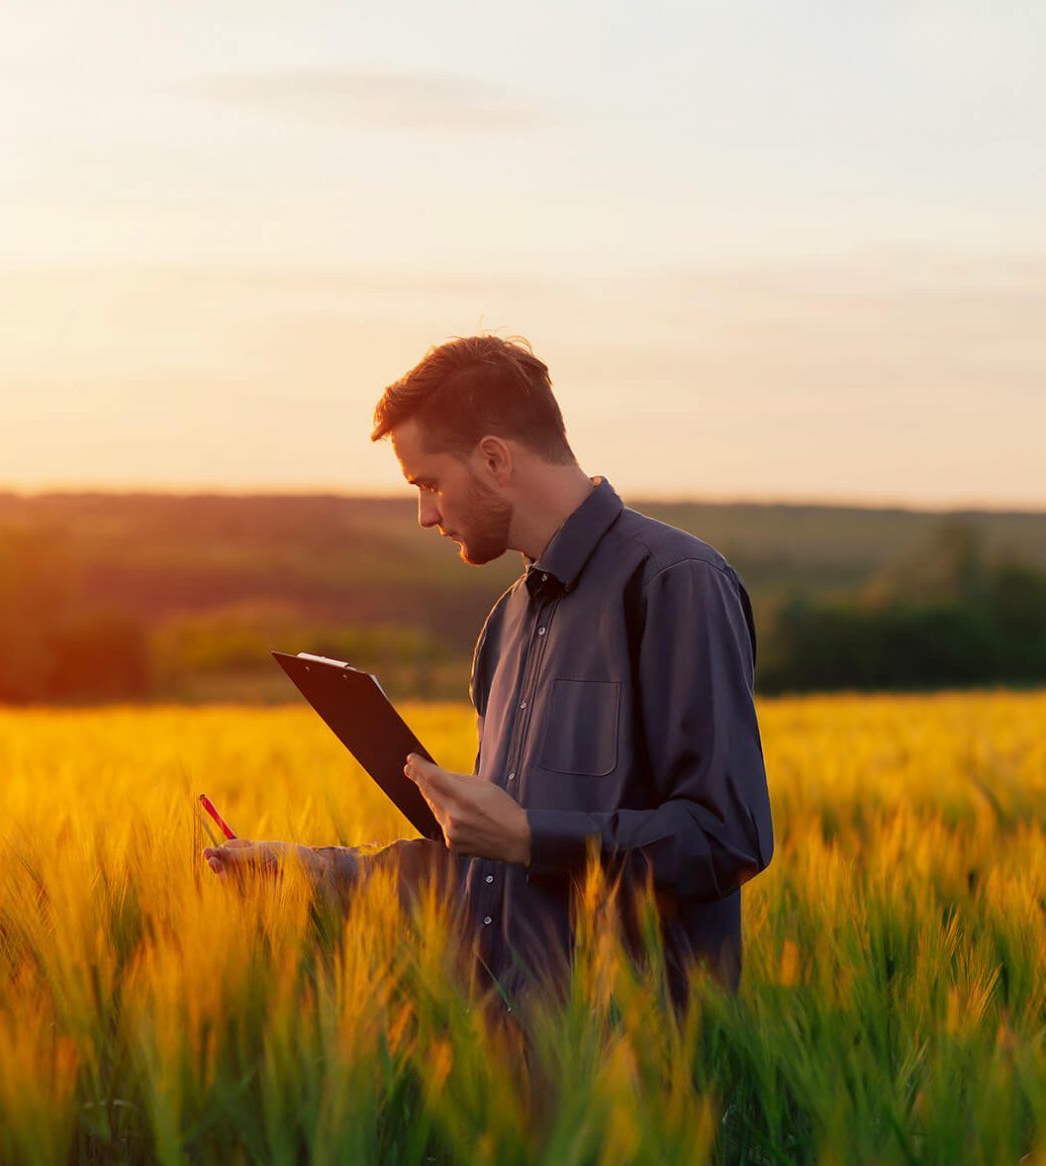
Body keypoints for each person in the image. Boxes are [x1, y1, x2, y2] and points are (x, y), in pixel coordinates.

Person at [205, 334, 775, 1016]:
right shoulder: (504, 627)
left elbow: (726, 837)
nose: (425, 514)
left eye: (430, 483)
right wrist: (317, 872)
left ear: (496, 459)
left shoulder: (676, 583)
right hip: (511, 1078)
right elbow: (487, 871)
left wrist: (533, 836)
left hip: (635, 1088)